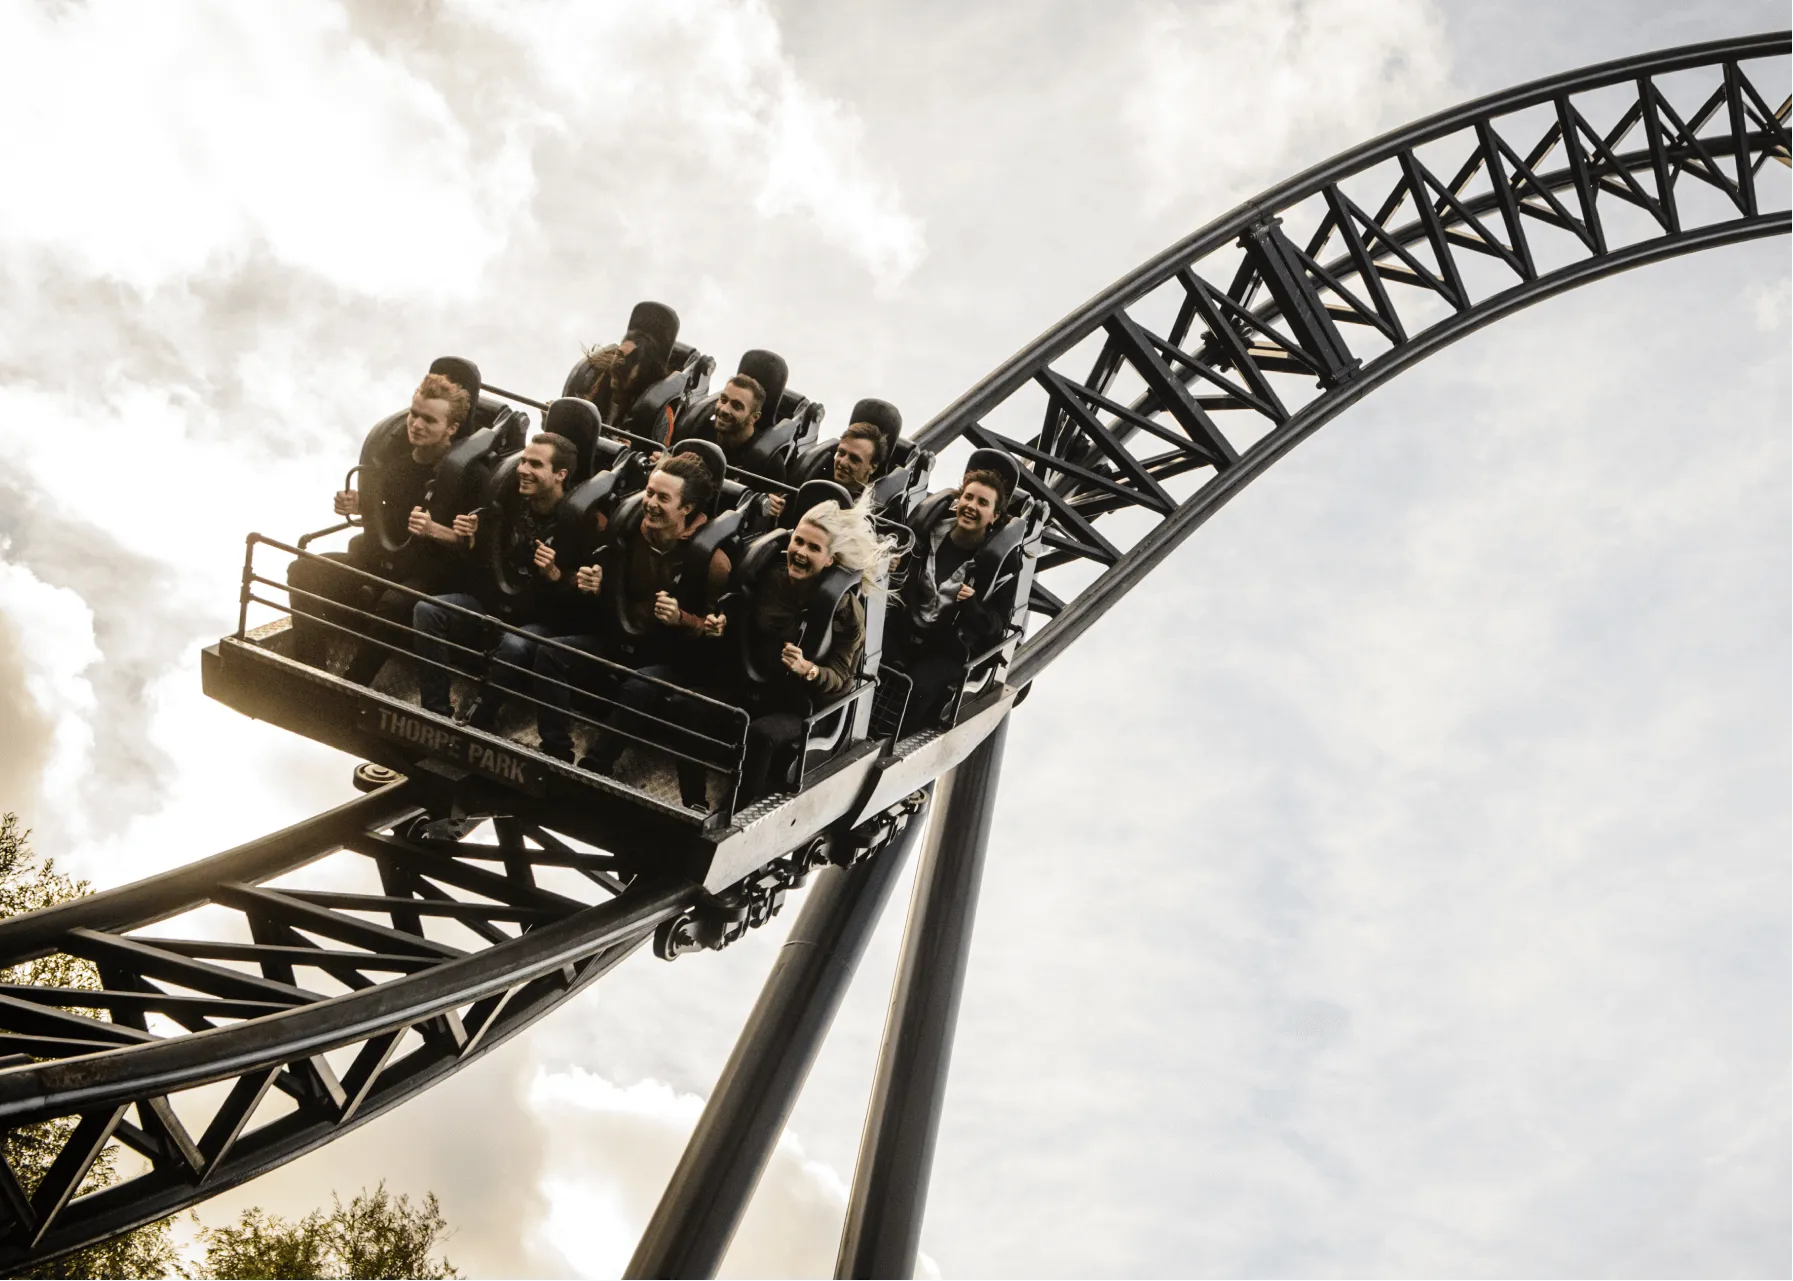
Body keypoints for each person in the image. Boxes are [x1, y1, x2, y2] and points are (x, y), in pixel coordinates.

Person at [533, 452, 730, 804]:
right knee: (551, 652)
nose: (651, 504)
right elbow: (604, 592)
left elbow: (716, 636)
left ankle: (596, 767)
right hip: (620, 639)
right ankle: (555, 751)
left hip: (669, 658)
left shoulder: (712, 562)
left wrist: (684, 619)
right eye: (649, 493)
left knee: (641, 685)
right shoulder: (626, 529)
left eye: (663, 499)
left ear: (687, 508)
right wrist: (592, 587)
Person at [287, 371, 472, 685]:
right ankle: (311, 669)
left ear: (451, 428)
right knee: (302, 570)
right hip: (385, 562)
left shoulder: (467, 474)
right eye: (414, 415)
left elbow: (471, 546)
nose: (417, 425)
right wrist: (357, 505)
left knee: (395, 602)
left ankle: (352, 684)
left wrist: (434, 530)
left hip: (428, 575)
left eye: (430, 420)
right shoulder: (398, 465)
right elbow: (385, 515)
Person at [724, 495, 889, 803]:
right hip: (763, 686)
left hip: (807, 707)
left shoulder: (845, 611)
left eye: (813, 548)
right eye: (798, 542)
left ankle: (741, 812)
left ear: (830, 560)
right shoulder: (771, 581)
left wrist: (808, 669)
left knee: (760, 736)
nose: (800, 552)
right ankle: (695, 798)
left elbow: (841, 675)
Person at [411, 432, 577, 727]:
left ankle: (480, 720)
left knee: (514, 645)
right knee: (428, 610)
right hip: (493, 605)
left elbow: (583, 596)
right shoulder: (507, 500)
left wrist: (554, 574)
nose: (523, 470)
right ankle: (434, 712)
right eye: (523, 461)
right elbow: (478, 556)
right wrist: (470, 538)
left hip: (537, 620)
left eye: (535, 465)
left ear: (560, 474)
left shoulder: (579, 519)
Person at [886, 463, 1012, 735]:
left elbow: (996, 626)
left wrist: (972, 606)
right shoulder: (926, 532)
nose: (971, 506)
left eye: (982, 503)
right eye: (968, 497)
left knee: (918, 688)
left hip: (945, 648)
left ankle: (893, 743)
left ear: (995, 516)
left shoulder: (996, 565)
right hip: (906, 630)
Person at [574, 300, 679, 429]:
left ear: (647, 370)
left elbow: (657, 449)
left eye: (631, 360)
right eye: (619, 355)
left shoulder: (659, 413)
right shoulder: (596, 386)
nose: (619, 365)